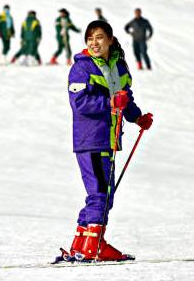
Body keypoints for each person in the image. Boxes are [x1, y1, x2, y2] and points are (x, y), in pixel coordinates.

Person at [65, 20, 153, 261]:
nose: (95, 43)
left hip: (110, 139)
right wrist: (110, 104)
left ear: (111, 40)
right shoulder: (82, 68)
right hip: (90, 138)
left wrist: (137, 117)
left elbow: (125, 98)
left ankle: (82, 242)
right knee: (100, 194)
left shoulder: (120, 68)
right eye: (90, 38)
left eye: (100, 37)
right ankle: (94, 245)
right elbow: (79, 103)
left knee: (104, 194)